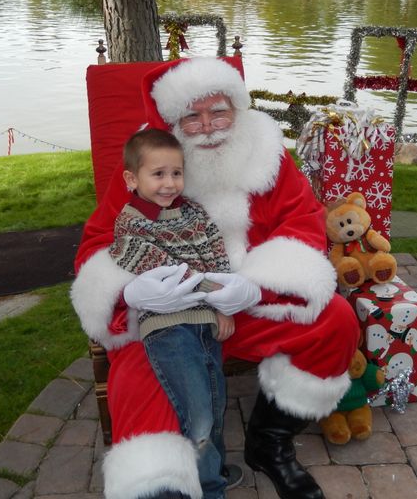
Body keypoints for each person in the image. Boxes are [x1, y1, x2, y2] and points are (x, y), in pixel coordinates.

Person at [71, 56, 360, 499]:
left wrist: (256, 285)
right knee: (139, 377)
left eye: (219, 110)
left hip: (243, 304)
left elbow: (301, 220)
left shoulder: (267, 153)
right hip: (168, 312)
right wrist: (131, 290)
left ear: (237, 108)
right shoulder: (149, 165)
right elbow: (97, 242)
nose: (207, 125)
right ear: (172, 122)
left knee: (335, 322)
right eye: (191, 116)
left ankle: (270, 444)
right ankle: (163, 484)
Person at [108, 128, 252, 498]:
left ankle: (213, 469)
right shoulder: (131, 223)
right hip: (168, 329)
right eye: (158, 174)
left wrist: (225, 302)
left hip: (205, 324)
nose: (170, 183)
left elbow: (215, 256)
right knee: (198, 414)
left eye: (176, 173)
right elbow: (174, 272)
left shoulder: (194, 213)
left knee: (216, 402)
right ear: (132, 178)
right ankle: (210, 489)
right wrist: (215, 292)